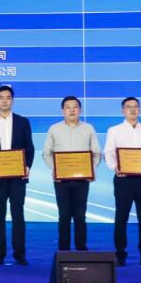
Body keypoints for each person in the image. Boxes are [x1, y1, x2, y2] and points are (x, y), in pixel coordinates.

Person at [0, 85, 34, 266]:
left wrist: (27, 166)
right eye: (1, 97)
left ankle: (19, 254)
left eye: (8, 97)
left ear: (12, 100)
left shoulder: (23, 122)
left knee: (18, 215)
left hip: (18, 176)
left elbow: (29, 147)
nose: (4, 101)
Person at [104, 96, 141, 267]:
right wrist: (115, 167)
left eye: (136, 106)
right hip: (124, 180)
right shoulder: (114, 130)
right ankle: (120, 255)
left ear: (140, 110)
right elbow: (108, 153)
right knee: (121, 217)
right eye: (129, 107)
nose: (133, 109)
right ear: (123, 110)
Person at [41, 96, 100, 252]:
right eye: (68, 107)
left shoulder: (89, 128)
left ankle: (81, 249)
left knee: (80, 216)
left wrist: (90, 169)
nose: (72, 110)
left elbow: (96, 153)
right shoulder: (54, 129)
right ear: (63, 110)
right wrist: (55, 169)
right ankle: (64, 250)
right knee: (64, 216)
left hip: (82, 180)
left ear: (80, 110)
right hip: (61, 180)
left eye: (75, 107)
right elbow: (46, 153)